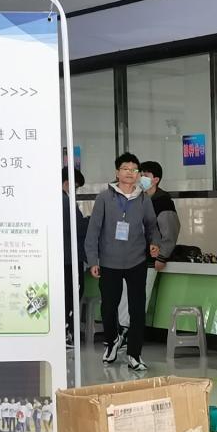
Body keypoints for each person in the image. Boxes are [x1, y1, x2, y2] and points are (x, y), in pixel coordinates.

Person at [85, 152, 161, 372]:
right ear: (117, 172)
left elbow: (152, 226)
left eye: (134, 169)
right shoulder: (104, 198)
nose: (130, 173)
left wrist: (154, 242)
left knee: (137, 310)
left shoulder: (143, 198)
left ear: (138, 174)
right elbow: (93, 231)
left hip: (137, 261)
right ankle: (112, 340)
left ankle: (134, 354)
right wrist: (93, 260)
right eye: (125, 169)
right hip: (109, 261)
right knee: (109, 308)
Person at [118, 160, 181, 345]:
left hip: (148, 260)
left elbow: (170, 231)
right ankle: (121, 332)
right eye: (140, 174)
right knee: (124, 297)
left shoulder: (163, 202)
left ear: (156, 180)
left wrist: (162, 256)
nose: (140, 178)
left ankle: (129, 335)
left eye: (145, 175)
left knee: (138, 299)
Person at [62, 166, 87, 346]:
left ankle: (65, 332)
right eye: (76, 186)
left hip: (63, 257)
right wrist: (93, 220)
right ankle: (66, 332)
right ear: (67, 182)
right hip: (70, 258)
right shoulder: (65, 202)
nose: (75, 190)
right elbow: (77, 227)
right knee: (71, 295)